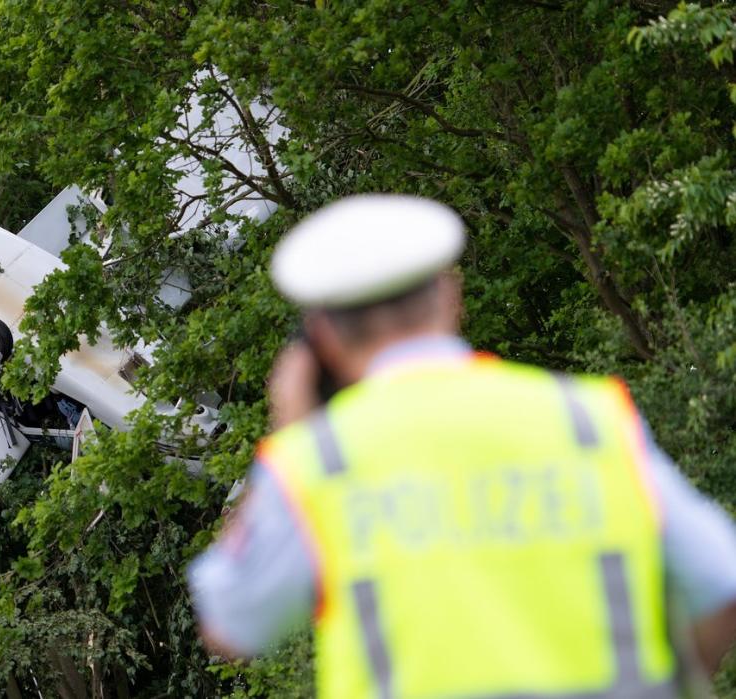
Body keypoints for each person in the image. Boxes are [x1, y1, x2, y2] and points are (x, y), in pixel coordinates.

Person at [188, 194, 736, 698]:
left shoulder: (318, 463)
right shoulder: (586, 419)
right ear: (451, 298)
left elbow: (231, 621)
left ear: (324, 337)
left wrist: (290, 438)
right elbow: (722, 580)